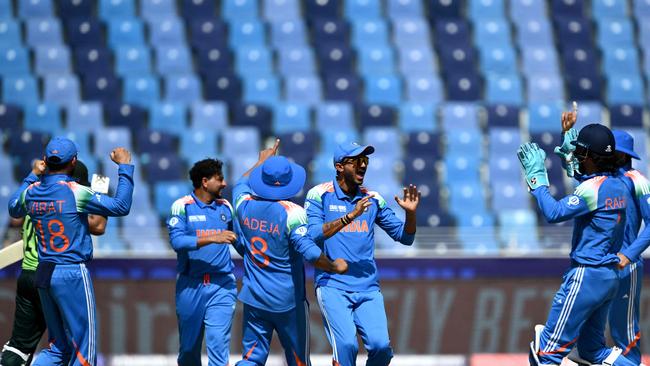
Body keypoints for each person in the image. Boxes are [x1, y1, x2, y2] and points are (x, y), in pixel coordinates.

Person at [7, 137, 134, 366]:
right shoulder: (75, 191)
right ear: (73, 162)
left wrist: (31, 175)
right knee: (85, 349)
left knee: (58, 348)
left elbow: (14, 207)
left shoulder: (33, 190)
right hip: (71, 271)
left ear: (45, 161)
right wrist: (125, 167)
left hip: (43, 271)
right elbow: (121, 207)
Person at [519, 125, 636, 366]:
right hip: (609, 277)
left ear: (592, 158)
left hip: (586, 277)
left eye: (582, 154)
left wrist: (537, 178)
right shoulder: (621, 184)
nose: (578, 158)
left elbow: (553, 212)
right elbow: (592, 183)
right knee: (593, 352)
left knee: (546, 354)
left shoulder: (592, 190)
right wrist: (571, 159)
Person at [233, 139, 348, 366]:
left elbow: (240, 183)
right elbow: (310, 253)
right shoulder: (293, 213)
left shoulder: (244, 205)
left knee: (251, 359)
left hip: (254, 297)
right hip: (288, 303)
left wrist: (261, 161)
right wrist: (334, 266)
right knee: (299, 361)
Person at [304, 142, 420, 366]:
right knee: (347, 346)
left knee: (381, 348)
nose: (363, 165)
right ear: (339, 166)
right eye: (356, 161)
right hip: (332, 285)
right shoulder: (319, 195)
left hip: (367, 287)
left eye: (365, 160)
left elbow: (405, 237)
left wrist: (411, 216)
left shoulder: (373, 198)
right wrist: (349, 216)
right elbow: (313, 235)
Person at [555, 112, 650, 366]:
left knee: (624, 333)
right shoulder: (603, 181)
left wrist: (628, 255)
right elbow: (576, 167)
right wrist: (568, 135)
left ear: (622, 155)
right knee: (588, 333)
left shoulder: (636, 181)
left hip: (624, 266)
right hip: (603, 266)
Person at [1, 160, 107, 366]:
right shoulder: (66, 199)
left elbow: (15, 218)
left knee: (20, 346)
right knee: (71, 345)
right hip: (54, 273)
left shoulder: (36, 196)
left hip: (28, 273)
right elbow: (99, 225)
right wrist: (100, 191)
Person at [167, 158, 239, 366]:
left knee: (218, 345)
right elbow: (177, 241)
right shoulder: (182, 206)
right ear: (205, 182)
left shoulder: (225, 206)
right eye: (220, 179)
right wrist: (212, 237)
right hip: (191, 284)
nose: (224, 184)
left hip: (222, 284)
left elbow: (237, 241)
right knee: (189, 351)